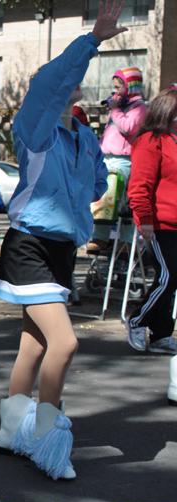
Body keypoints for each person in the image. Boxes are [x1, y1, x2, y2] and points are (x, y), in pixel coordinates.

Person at [0, 1, 125, 481]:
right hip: (29, 245)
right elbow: (51, 84)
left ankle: (10, 433)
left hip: (62, 248)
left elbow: (94, 187)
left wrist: (94, 174)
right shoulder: (35, 129)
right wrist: (92, 40)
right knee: (64, 343)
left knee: (33, 345)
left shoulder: (83, 137)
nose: (68, 83)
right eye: (61, 79)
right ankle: (45, 438)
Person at [125, 89, 177, 405]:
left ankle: (160, 336)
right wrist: (143, 218)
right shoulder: (151, 141)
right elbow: (140, 185)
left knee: (173, 281)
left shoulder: (174, 141)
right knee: (168, 277)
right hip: (158, 224)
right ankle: (137, 319)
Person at [87, 66, 147, 252]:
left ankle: (127, 240)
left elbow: (128, 127)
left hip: (123, 160)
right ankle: (100, 236)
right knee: (105, 197)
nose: (115, 91)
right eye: (114, 87)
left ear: (131, 88)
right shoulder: (119, 107)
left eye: (119, 87)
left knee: (122, 199)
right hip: (107, 157)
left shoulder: (139, 107)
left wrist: (114, 110)